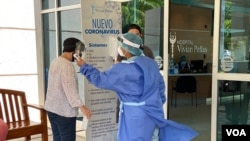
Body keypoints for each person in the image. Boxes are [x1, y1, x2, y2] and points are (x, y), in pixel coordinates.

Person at [76, 33, 198, 141]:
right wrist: (154, 104)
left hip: (134, 117)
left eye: (121, 46)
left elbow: (100, 79)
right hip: (153, 113)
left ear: (126, 50)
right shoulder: (151, 64)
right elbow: (161, 87)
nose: (120, 48)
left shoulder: (124, 69)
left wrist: (84, 66)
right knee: (153, 137)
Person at [44, 37, 92, 141]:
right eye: (79, 52)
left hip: (52, 109)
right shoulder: (67, 66)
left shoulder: (55, 61)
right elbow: (70, 90)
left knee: (57, 138)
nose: (79, 55)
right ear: (75, 51)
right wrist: (83, 107)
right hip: (64, 113)